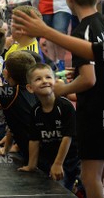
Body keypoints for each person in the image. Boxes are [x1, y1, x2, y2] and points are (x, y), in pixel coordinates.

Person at [13, 0, 104, 198]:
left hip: (96, 111)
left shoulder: (81, 31)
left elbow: (88, 79)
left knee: (90, 177)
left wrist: (63, 89)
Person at [19, 64, 81, 193]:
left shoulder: (65, 106)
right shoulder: (35, 111)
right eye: (38, 79)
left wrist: (58, 164)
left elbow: (67, 137)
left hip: (69, 159)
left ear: (55, 81)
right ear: (30, 88)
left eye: (48, 77)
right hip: (49, 157)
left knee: (60, 188)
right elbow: (34, 140)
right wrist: (31, 165)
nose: (44, 81)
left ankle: (78, 186)